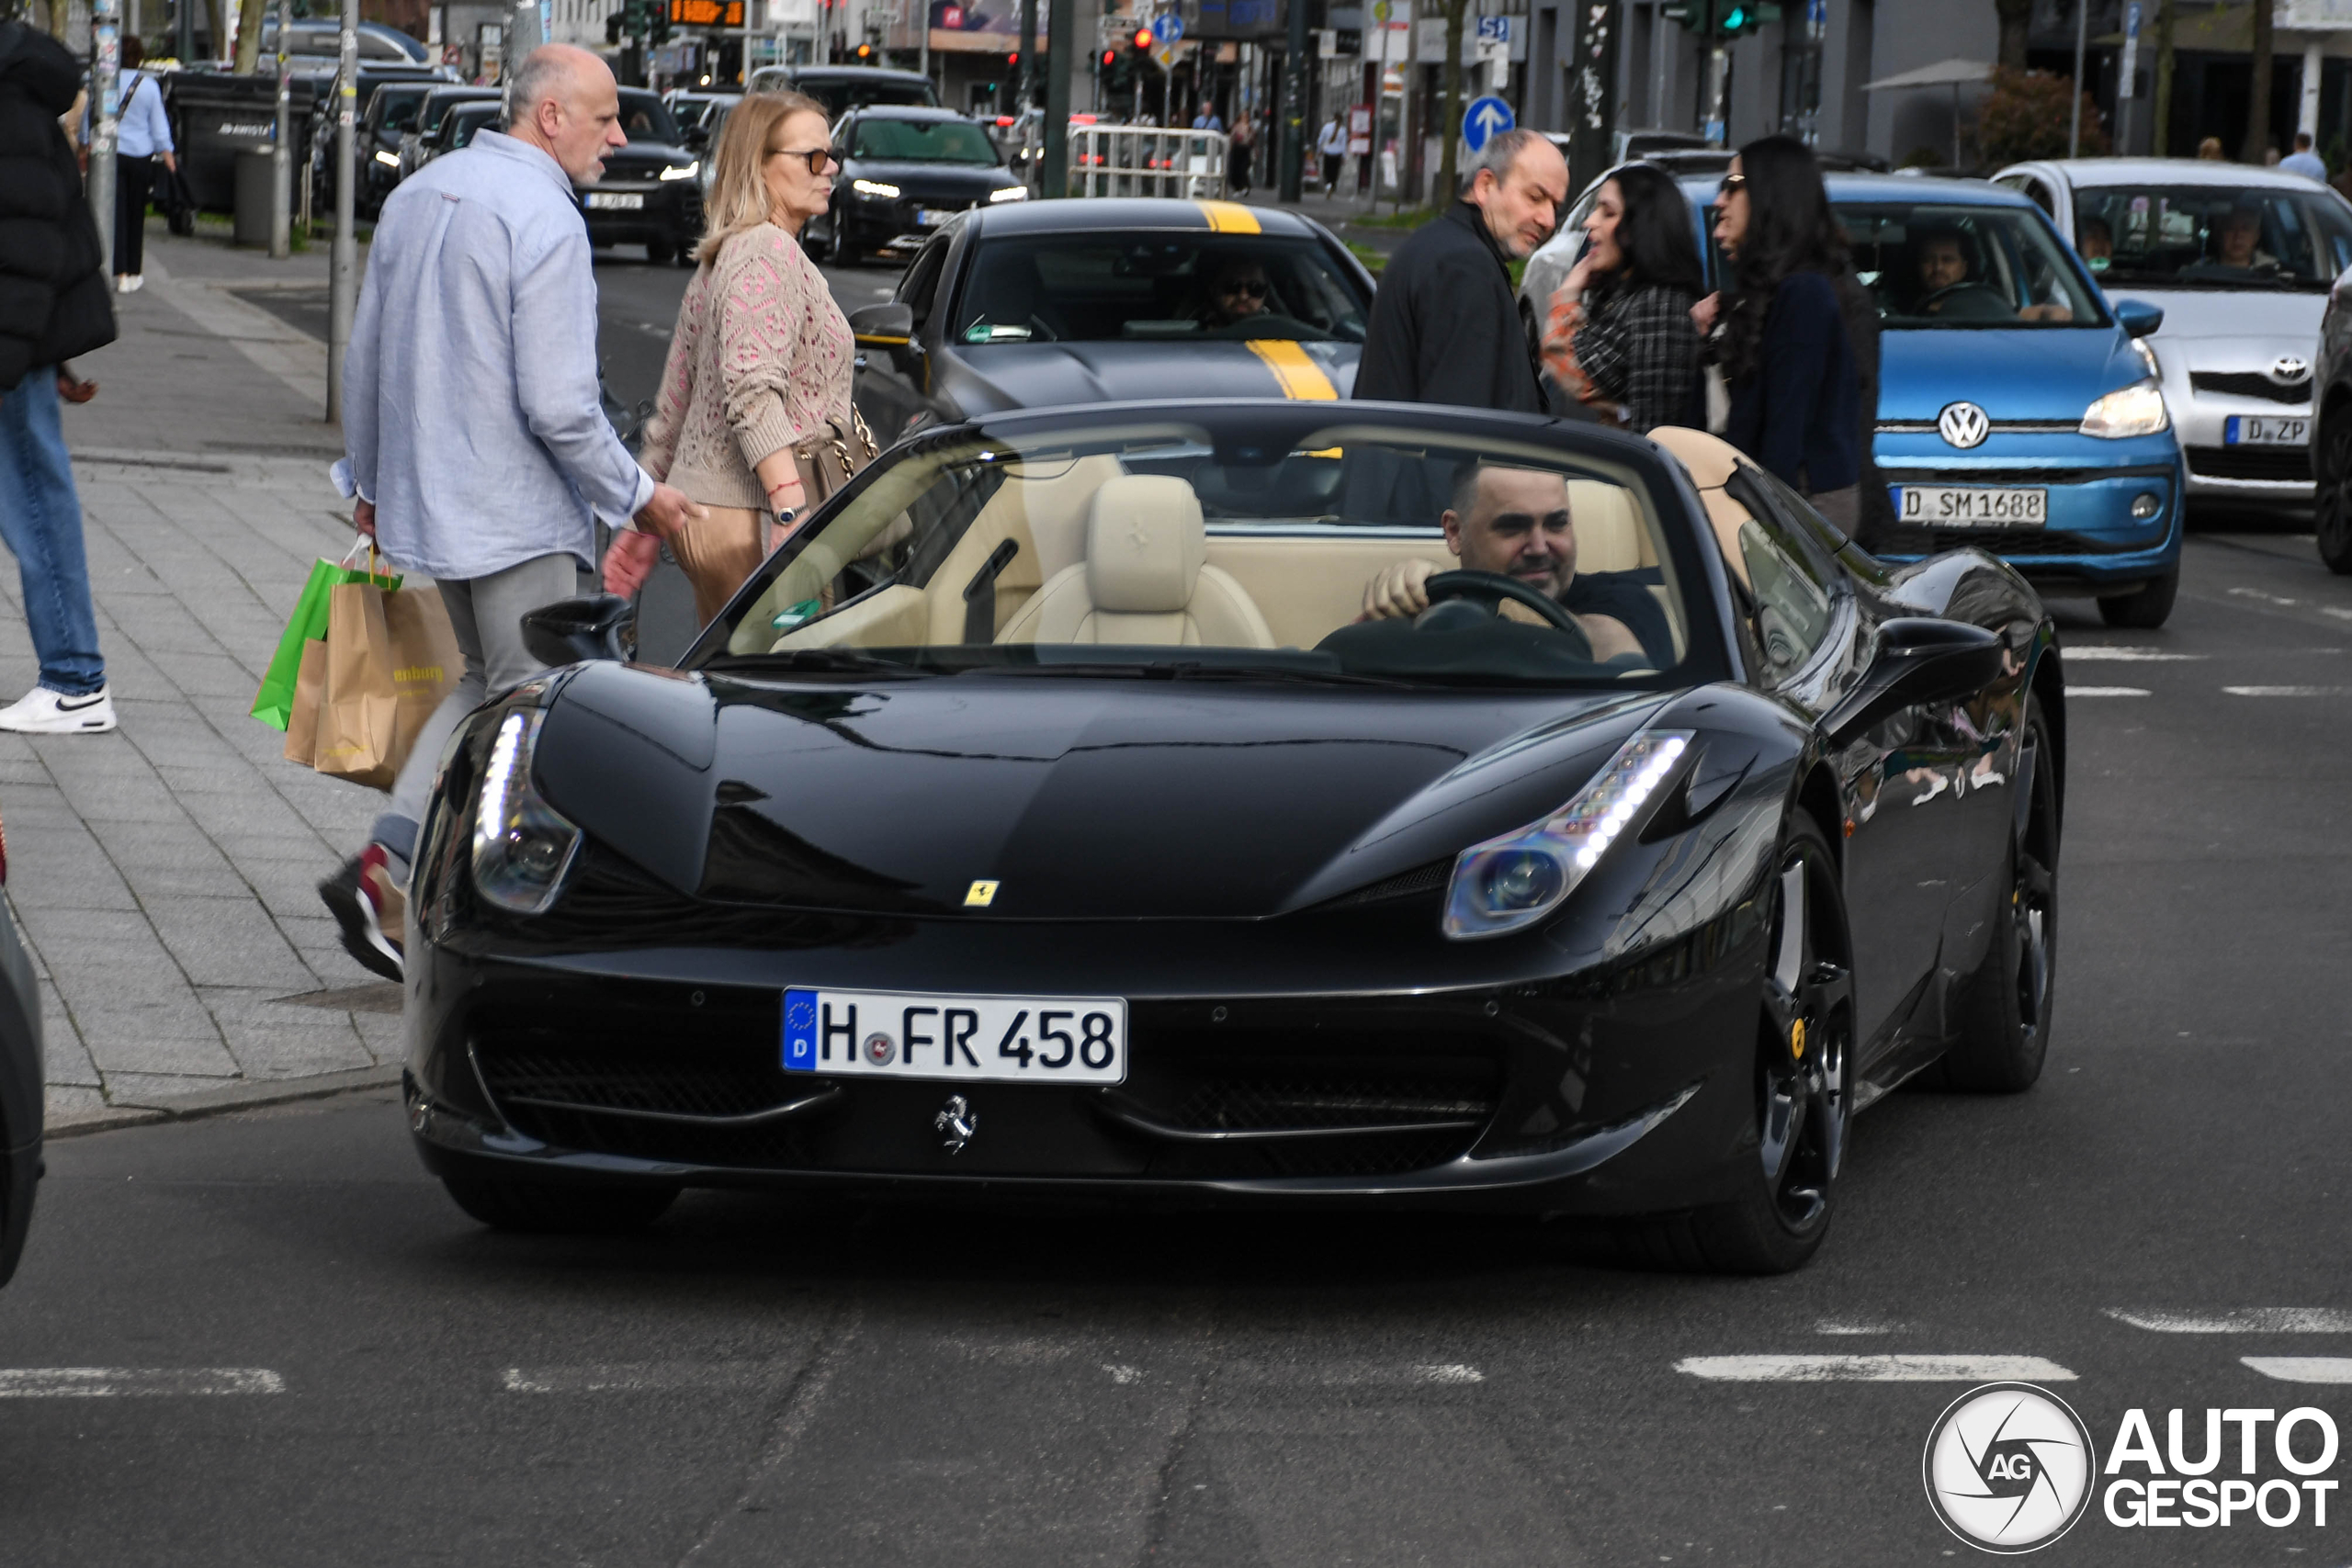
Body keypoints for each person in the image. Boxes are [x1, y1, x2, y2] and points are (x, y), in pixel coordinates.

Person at [320, 44, 702, 980]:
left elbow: (363, 351)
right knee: (538, 711)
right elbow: (560, 406)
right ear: (551, 117)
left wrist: (367, 480)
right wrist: (642, 498)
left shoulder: (422, 192)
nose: (620, 135)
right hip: (515, 509)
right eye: (606, 117)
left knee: (492, 686)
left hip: (429, 496)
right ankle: (454, 890)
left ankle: (392, 859)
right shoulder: (545, 218)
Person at [604, 91, 854, 625]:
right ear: (759, 166)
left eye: (832, 155)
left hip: (713, 517)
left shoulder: (726, 255)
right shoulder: (766, 252)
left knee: (727, 689)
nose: (829, 168)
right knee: (778, 692)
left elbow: (675, 403)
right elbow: (753, 392)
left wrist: (640, 524)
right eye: (812, 157)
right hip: (753, 519)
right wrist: (790, 509)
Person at [0, 19, 119, 735]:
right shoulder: (19, 100)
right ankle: (74, 676)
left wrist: (20, 359)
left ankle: (76, 679)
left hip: (9, 349)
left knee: (35, 501)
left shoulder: (7, 109)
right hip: (20, 343)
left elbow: (24, 243)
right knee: (32, 497)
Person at [1696, 135, 1873, 533]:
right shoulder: (1773, 291)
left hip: (1799, 503)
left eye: (1733, 186)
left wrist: (1757, 517)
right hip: (1778, 495)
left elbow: (1784, 429)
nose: (1720, 201)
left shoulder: (1805, 293)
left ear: (1772, 193)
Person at [1351, 463, 1671, 665]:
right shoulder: (1424, 613)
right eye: (1512, 527)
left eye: (1556, 523)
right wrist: (1404, 597)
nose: (1538, 546)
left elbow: (1613, 659)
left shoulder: (1624, 599)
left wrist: (1453, 597)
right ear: (1455, 532)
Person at [1355, 127, 1567, 413]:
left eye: (1555, 206)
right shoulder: (1465, 268)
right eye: (1535, 197)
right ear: (1485, 186)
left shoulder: (1441, 247)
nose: (1549, 220)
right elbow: (1458, 432)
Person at [1539, 161, 1703, 433]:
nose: (1589, 222)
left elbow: (1655, 433)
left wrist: (1567, 297)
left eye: (1608, 212)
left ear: (1640, 226)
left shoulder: (1661, 305)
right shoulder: (1624, 295)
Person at [107, 34, 175, 293]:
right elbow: (159, 127)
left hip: (112, 154)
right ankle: (135, 271)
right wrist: (167, 154)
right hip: (140, 156)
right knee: (136, 214)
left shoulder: (104, 82)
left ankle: (120, 271)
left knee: (116, 214)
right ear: (139, 57)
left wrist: (83, 146)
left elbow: (91, 118)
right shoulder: (148, 86)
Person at [1191, 252, 1273, 329]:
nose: (1243, 296)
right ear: (1214, 290)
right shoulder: (1189, 333)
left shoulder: (1278, 333)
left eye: (1255, 288)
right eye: (1232, 287)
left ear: (1265, 293)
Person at [1227, 110, 1255, 195]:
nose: (1245, 118)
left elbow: (1252, 138)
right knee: (1236, 169)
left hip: (1245, 149)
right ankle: (1238, 187)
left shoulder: (1250, 127)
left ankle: (1245, 186)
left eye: (1246, 116)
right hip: (1237, 149)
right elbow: (1232, 137)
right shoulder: (1236, 126)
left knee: (1244, 168)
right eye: (1243, 116)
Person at [1317, 114, 1347, 189]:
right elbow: (1344, 145)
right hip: (1337, 154)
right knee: (1335, 172)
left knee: (1327, 171)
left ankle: (1328, 185)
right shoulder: (1343, 130)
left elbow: (1320, 140)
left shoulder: (1326, 127)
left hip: (1327, 152)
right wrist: (1343, 157)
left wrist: (1319, 150)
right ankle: (1332, 186)